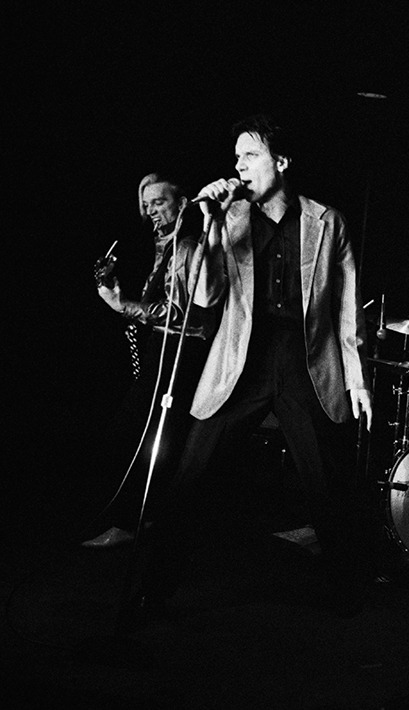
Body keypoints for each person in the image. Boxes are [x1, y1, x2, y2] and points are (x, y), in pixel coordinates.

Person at [131, 113, 373, 624]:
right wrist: (210, 225)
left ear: (280, 162)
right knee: (190, 473)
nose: (238, 166)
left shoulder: (327, 221)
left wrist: (357, 378)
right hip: (241, 357)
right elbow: (205, 296)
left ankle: (350, 592)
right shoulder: (231, 218)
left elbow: (347, 308)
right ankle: (151, 587)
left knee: (327, 482)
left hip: (306, 360)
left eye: (249, 155)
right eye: (235, 157)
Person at [82, 172, 216, 548]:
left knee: (145, 437)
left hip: (182, 352)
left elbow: (186, 313)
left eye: (159, 202)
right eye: (146, 205)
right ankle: (143, 521)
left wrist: (123, 305)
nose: (151, 211)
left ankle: (137, 524)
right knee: (150, 438)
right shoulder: (163, 244)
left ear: (182, 202)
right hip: (162, 347)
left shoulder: (189, 246)